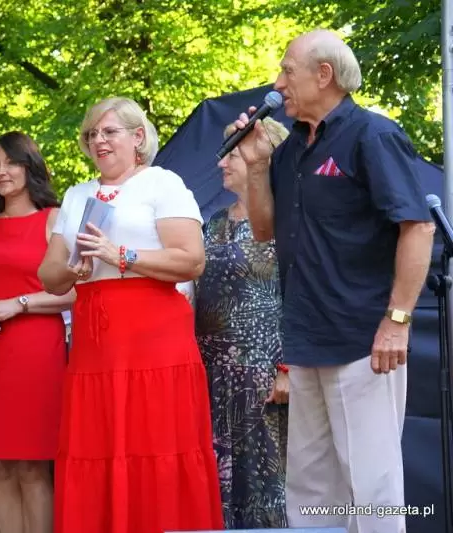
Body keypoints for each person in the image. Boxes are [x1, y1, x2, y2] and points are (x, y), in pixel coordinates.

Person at [235, 30, 435, 533]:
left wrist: (397, 320)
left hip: (363, 339)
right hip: (306, 337)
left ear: (324, 75)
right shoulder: (290, 150)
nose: (277, 84)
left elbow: (418, 227)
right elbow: (264, 230)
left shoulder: (372, 135)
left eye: (287, 71)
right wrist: (256, 165)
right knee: (310, 490)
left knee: (371, 487)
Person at [38, 96, 223, 533]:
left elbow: (191, 260)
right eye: (91, 134)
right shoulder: (77, 195)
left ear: (138, 136)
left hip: (154, 339)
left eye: (109, 131)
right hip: (95, 346)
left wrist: (121, 255)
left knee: (157, 443)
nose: (98, 141)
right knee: (96, 448)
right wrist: (74, 269)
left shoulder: (162, 184)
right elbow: (48, 275)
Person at [0, 131, 73, 533]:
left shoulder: (54, 219)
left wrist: (18, 303)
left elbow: (74, 291)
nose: (1, 172)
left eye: (11, 163)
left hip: (36, 355)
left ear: (30, 167)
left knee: (32, 468)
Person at [194, 117, 290, 529]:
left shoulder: (286, 221)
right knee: (217, 484)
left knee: (265, 482)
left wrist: (287, 368)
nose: (222, 162)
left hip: (263, 374)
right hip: (211, 375)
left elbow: (300, 295)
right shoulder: (213, 221)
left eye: (232, 153)